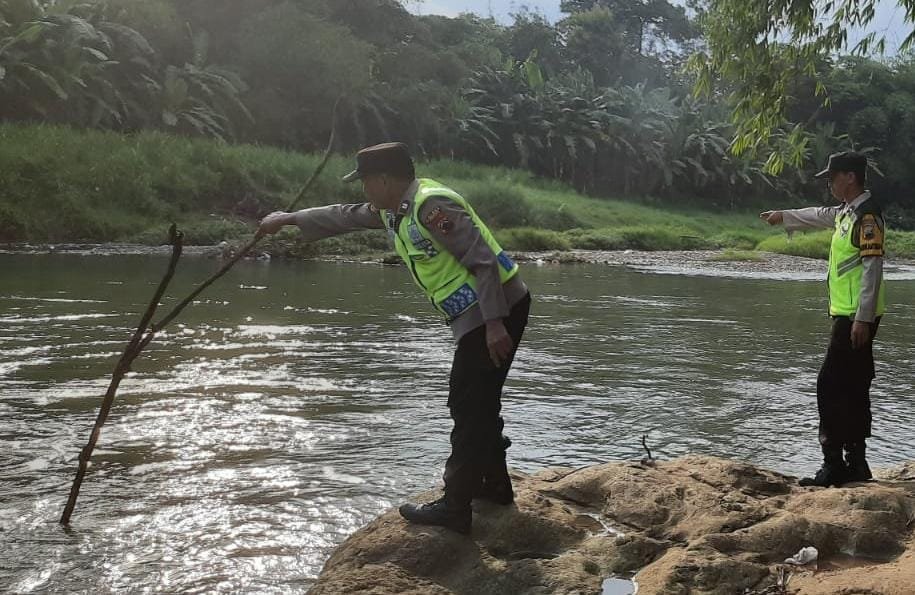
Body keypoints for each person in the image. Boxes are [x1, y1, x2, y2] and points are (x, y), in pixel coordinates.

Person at [258, 142, 531, 533]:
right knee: (475, 402)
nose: (364, 190)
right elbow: (346, 216)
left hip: (496, 310)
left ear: (385, 180)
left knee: (468, 406)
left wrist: (493, 324)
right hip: (481, 314)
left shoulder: (431, 206)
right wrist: (289, 219)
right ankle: (495, 486)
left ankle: (456, 507)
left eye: (366, 182)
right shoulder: (394, 209)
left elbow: (483, 261)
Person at [760, 151, 886, 487]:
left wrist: (862, 318)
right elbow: (818, 215)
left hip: (855, 318)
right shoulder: (847, 213)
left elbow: (873, 270)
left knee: (829, 385)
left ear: (850, 177)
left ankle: (833, 464)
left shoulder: (867, 218)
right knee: (855, 385)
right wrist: (783, 215)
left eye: (832, 176)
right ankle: (856, 463)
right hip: (852, 315)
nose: (829, 183)